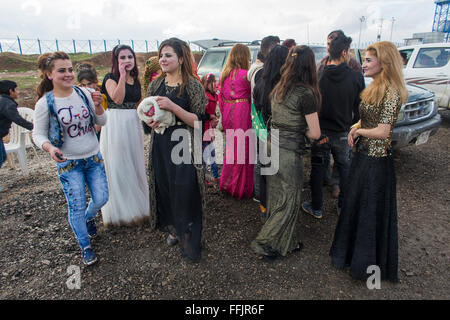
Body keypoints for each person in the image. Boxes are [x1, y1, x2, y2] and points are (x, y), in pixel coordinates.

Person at [330, 41, 409, 282]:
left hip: (376, 162)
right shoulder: (375, 86)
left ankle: (365, 266)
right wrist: (357, 126)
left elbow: (384, 132)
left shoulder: (392, 91)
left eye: (368, 60)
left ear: (384, 63)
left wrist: (359, 132)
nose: (363, 64)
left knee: (368, 213)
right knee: (355, 206)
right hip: (363, 158)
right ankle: (351, 256)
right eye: (363, 59)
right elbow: (367, 119)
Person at [32, 51, 108, 266]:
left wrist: (99, 106)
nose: (68, 74)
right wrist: (48, 147)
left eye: (70, 69)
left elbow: (103, 120)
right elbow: (38, 134)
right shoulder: (45, 103)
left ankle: (88, 217)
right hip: (69, 163)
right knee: (75, 206)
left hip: (93, 158)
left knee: (102, 199)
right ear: (49, 74)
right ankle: (85, 246)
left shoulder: (84, 93)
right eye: (61, 70)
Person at [251, 45, 321, 259]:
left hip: (273, 145)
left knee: (276, 196)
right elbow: (315, 133)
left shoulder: (279, 88)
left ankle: (286, 242)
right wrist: (303, 130)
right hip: (289, 152)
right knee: (289, 200)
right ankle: (267, 243)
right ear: (310, 65)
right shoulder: (306, 93)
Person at [143, 37, 207, 262]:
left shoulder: (192, 85)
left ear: (181, 59)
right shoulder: (155, 84)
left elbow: (199, 122)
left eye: (168, 55)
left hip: (183, 146)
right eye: (161, 55)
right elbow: (147, 114)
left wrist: (172, 106)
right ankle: (173, 228)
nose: (163, 59)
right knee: (165, 187)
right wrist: (149, 122)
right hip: (160, 145)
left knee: (184, 189)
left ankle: (187, 232)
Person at [302, 33, 365, 219]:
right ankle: (343, 206)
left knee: (318, 169)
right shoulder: (356, 77)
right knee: (344, 168)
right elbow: (358, 108)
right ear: (344, 52)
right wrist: (354, 128)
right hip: (344, 132)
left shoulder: (319, 75)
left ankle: (316, 206)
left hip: (320, 132)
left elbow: (311, 105)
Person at [100, 44, 150, 227]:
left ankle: (138, 207)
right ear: (116, 60)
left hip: (132, 122)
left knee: (134, 162)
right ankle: (120, 212)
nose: (127, 60)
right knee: (119, 164)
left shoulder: (136, 80)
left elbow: (137, 103)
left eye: (130, 57)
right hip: (116, 124)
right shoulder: (110, 78)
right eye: (122, 57)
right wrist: (122, 76)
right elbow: (118, 99)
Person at [317, 30, 363, 199]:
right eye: (327, 44)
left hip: (343, 126)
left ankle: (336, 185)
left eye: (331, 44)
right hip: (324, 126)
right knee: (323, 158)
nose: (329, 47)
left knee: (342, 160)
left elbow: (358, 101)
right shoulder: (322, 66)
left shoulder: (355, 67)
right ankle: (324, 181)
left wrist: (356, 125)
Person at [252, 45, 289, 217]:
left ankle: (264, 208)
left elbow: (257, 104)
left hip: (264, 130)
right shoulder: (287, 83)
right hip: (282, 133)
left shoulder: (261, 78)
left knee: (266, 170)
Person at [218, 43, 254, 199]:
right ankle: (240, 188)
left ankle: (227, 183)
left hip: (228, 111)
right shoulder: (247, 75)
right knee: (244, 150)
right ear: (245, 56)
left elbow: (220, 98)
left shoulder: (224, 74)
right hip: (242, 111)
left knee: (231, 149)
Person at [247, 35, 280, 204]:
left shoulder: (259, 71)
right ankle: (261, 193)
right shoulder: (263, 73)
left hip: (259, 119)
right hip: (263, 121)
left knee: (262, 158)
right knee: (263, 159)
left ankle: (261, 193)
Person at [0, 80, 34, 191]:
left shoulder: (3, 101)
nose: (18, 92)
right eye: (17, 89)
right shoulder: (7, 104)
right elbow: (18, 120)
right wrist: (34, 127)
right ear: (11, 91)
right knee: (1, 157)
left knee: (2, 156)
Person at [76, 63, 107, 139]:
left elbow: (100, 124)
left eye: (89, 84)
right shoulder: (77, 92)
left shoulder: (102, 94)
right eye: (83, 85)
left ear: (96, 81)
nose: (86, 87)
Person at [201, 73, 219, 186]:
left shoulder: (214, 95)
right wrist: (210, 117)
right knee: (205, 154)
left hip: (210, 128)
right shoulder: (205, 97)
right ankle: (203, 178)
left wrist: (214, 116)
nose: (215, 83)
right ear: (207, 84)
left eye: (215, 81)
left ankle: (215, 175)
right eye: (213, 81)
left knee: (212, 152)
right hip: (204, 128)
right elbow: (201, 113)